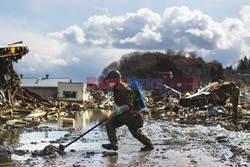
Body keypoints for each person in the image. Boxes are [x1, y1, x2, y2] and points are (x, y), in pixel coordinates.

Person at [102, 70, 154, 151]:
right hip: (124, 114)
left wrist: (119, 110)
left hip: (131, 115)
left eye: (111, 81)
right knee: (110, 124)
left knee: (135, 132)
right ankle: (113, 143)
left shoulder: (124, 89)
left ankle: (149, 145)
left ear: (116, 80)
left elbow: (129, 105)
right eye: (109, 81)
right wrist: (117, 110)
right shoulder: (117, 89)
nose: (109, 83)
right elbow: (120, 102)